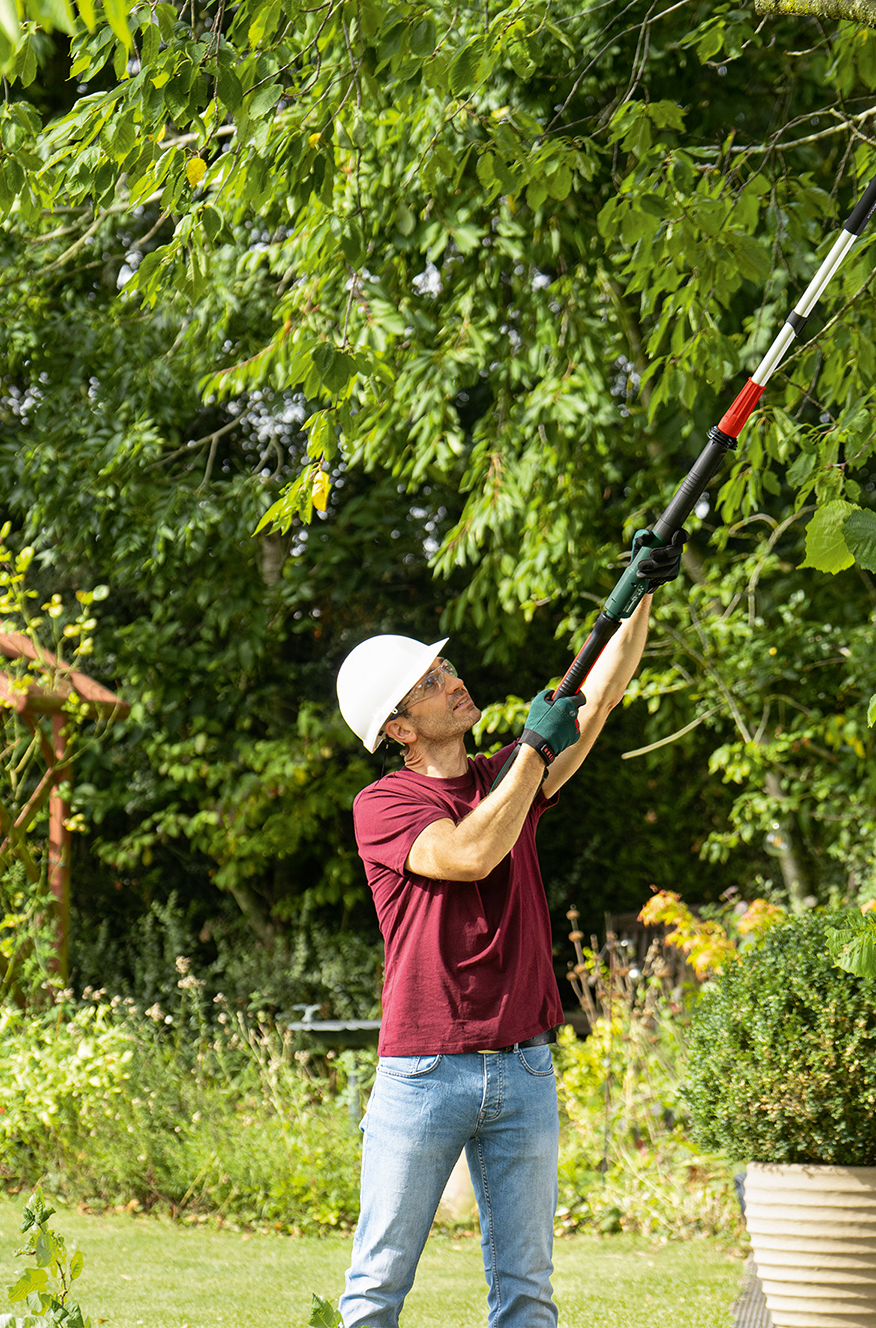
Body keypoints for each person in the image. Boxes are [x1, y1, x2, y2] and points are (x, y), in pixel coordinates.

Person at [332, 530, 683, 1328]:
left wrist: (640, 588)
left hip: (524, 1070)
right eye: (431, 681)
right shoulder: (385, 805)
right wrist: (530, 748)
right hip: (423, 1075)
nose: (453, 680)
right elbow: (469, 853)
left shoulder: (505, 778)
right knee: (378, 1284)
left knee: (527, 1293)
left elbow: (601, 691)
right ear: (399, 729)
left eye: (446, 667)